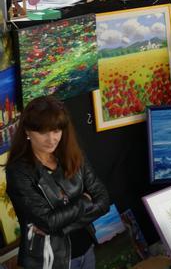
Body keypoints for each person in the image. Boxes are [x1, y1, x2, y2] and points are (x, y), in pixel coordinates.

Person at [6, 96, 110, 269]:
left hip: (87, 248)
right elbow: (48, 222)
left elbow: (103, 201)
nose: (51, 139)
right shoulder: (18, 171)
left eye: (56, 131)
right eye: (43, 132)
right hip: (50, 261)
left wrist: (63, 228)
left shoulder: (73, 155)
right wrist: (85, 201)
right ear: (27, 131)